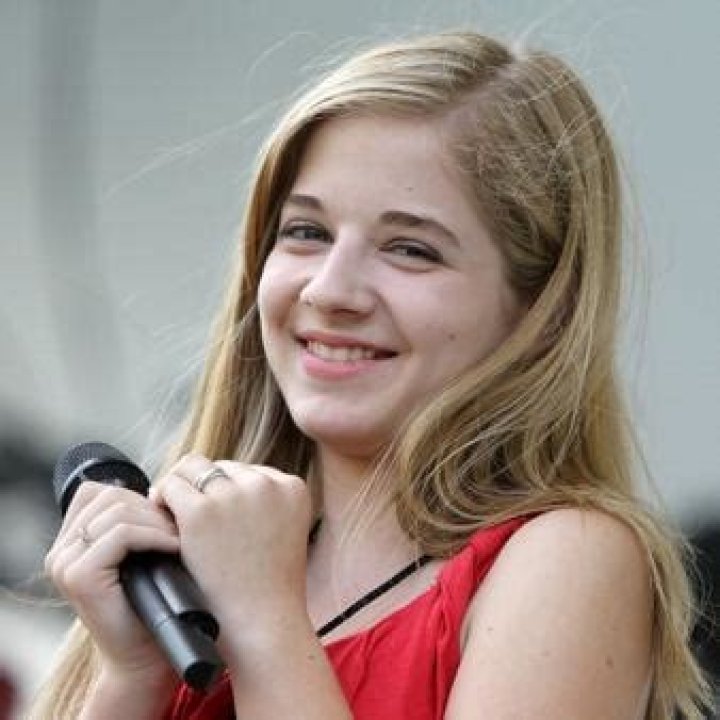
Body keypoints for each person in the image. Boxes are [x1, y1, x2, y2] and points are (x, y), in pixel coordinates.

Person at [31, 30, 712, 719]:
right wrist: (131, 676)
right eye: (306, 232)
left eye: (410, 249)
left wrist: (264, 620)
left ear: (539, 306)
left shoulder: (572, 558)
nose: (330, 290)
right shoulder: (185, 575)